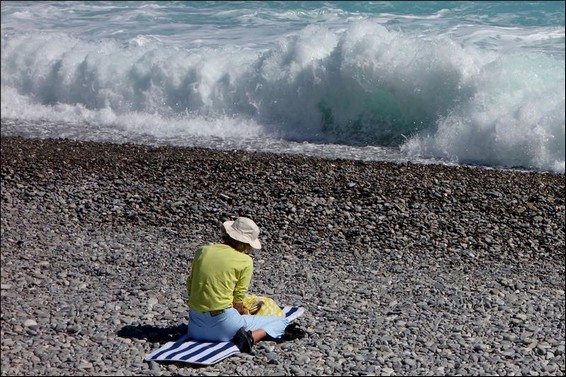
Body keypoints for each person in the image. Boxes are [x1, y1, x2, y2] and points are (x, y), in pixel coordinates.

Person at [186, 216, 305, 352]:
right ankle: (250, 338)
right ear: (246, 243)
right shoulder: (245, 261)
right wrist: (244, 312)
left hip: (194, 327)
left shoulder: (203, 251)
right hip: (224, 329)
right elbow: (238, 301)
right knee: (281, 322)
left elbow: (190, 286)